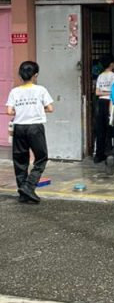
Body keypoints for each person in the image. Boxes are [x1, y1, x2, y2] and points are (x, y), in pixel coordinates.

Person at [6, 60, 54, 204]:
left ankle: (23, 192)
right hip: (35, 128)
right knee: (41, 158)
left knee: (20, 160)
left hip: (19, 128)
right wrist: (37, 109)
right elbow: (50, 108)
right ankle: (29, 187)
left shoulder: (14, 91)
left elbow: (9, 111)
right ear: (35, 75)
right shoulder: (41, 90)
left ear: (20, 75)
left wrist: (22, 110)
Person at [93, 54, 114, 164]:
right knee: (111, 128)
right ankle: (110, 154)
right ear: (111, 64)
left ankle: (99, 155)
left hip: (100, 103)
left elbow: (97, 93)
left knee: (100, 129)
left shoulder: (100, 76)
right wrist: (109, 92)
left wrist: (103, 92)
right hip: (110, 103)